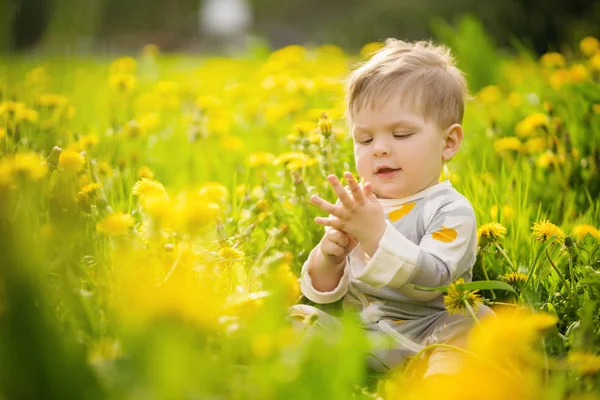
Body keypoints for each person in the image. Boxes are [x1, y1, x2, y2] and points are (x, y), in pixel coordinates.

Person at [289, 38, 494, 379]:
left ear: (448, 142)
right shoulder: (361, 204)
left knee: (475, 323)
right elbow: (323, 295)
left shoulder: (450, 209)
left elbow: (432, 280)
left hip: (433, 333)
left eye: (400, 134)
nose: (380, 149)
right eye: (365, 140)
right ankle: (308, 371)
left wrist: (374, 236)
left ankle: (440, 384)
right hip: (365, 338)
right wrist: (330, 257)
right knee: (300, 318)